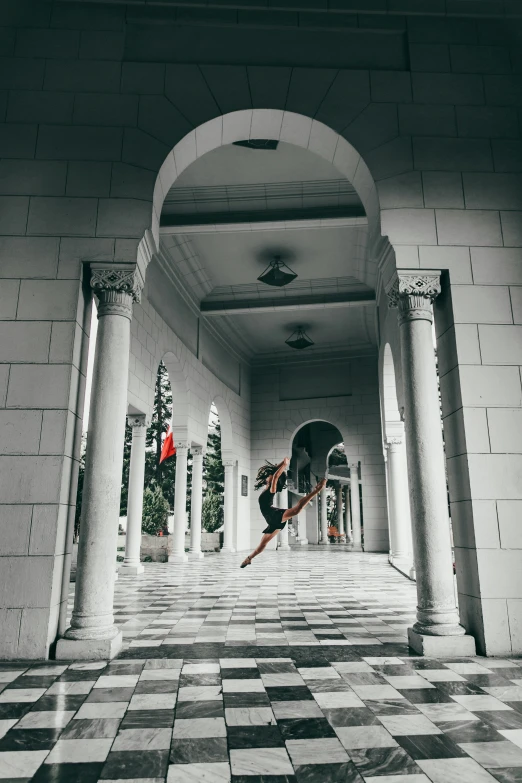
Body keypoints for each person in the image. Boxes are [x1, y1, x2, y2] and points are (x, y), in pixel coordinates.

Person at [240, 457, 326, 568]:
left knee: (297, 509)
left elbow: (276, 475)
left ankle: (317, 490)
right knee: (263, 544)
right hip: (273, 522)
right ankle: (249, 559)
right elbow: (274, 472)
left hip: (274, 515)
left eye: (273, 476)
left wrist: (285, 465)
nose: (270, 475)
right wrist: (282, 463)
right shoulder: (267, 487)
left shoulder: (272, 489)